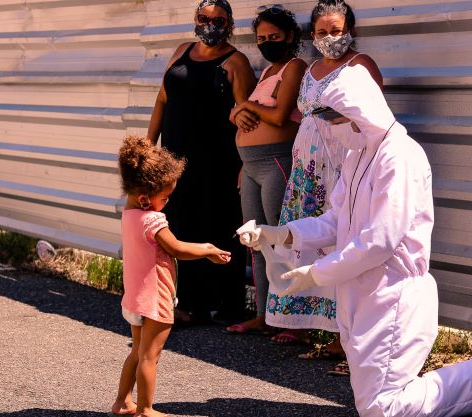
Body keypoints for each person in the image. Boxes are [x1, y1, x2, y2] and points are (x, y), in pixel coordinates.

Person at [239, 65, 472, 417]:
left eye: (334, 116)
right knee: (375, 404)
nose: (331, 125)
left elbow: (381, 240)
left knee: (382, 408)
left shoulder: (399, 156)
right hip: (359, 292)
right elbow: (335, 220)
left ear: (359, 111)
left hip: (392, 293)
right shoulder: (358, 154)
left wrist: (317, 273)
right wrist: (283, 233)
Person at [263, 0, 383, 375]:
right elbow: (304, 114)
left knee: (340, 241)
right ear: (311, 35)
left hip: (341, 166)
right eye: (322, 32)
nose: (330, 38)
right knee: (309, 241)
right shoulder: (311, 69)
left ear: (350, 30)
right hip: (307, 168)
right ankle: (319, 331)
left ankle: (347, 342)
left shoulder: (361, 65)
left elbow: (372, 116)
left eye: (337, 30)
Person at [146, 0, 256, 325]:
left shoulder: (237, 63)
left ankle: (227, 307)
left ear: (230, 24)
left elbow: (247, 118)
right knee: (182, 228)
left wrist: (244, 164)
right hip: (174, 162)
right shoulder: (181, 51)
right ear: (195, 20)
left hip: (217, 164)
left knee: (218, 228)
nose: (211, 25)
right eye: (204, 18)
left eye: (219, 20)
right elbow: (162, 99)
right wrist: (149, 147)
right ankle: (191, 304)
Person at [112, 136, 231, 417]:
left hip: (134, 298)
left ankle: (122, 402)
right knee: (150, 357)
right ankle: (146, 409)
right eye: (164, 197)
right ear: (145, 198)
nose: (166, 203)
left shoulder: (129, 214)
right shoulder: (153, 220)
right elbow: (177, 249)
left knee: (137, 352)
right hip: (155, 298)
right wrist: (208, 249)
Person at [223, 4, 307, 335]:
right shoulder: (267, 74)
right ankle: (264, 314)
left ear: (289, 36)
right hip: (252, 166)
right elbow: (249, 112)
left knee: (282, 239)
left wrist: (241, 106)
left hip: (276, 163)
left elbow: (279, 115)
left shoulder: (295, 67)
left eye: (274, 36)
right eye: (261, 37)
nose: (267, 42)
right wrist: (236, 113)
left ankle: (294, 322)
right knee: (256, 241)